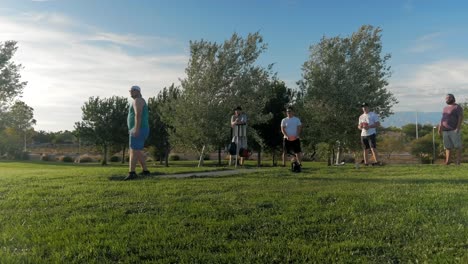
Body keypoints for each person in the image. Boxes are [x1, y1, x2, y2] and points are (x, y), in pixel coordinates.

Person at [124, 85, 150, 180]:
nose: (130, 92)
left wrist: (136, 129)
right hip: (137, 128)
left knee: (133, 151)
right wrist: (131, 128)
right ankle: (145, 171)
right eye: (130, 90)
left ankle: (132, 173)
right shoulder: (136, 101)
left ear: (138, 91)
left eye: (133, 90)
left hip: (139, 128)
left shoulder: (138, 100)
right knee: (137, 151)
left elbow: (138, 115)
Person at [438, 93, 463, 165]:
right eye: (446, 98)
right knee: (447, 147)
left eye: (448, 98)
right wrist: (440, 128)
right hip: (445, 131)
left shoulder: (457, 107)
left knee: (457, 146)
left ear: (452, 98)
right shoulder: (445, 108)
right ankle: (447, 161)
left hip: (454, 130)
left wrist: (457, 128)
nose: (446, 99)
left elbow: (460, 117)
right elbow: (442, 119)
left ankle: (458, 162)